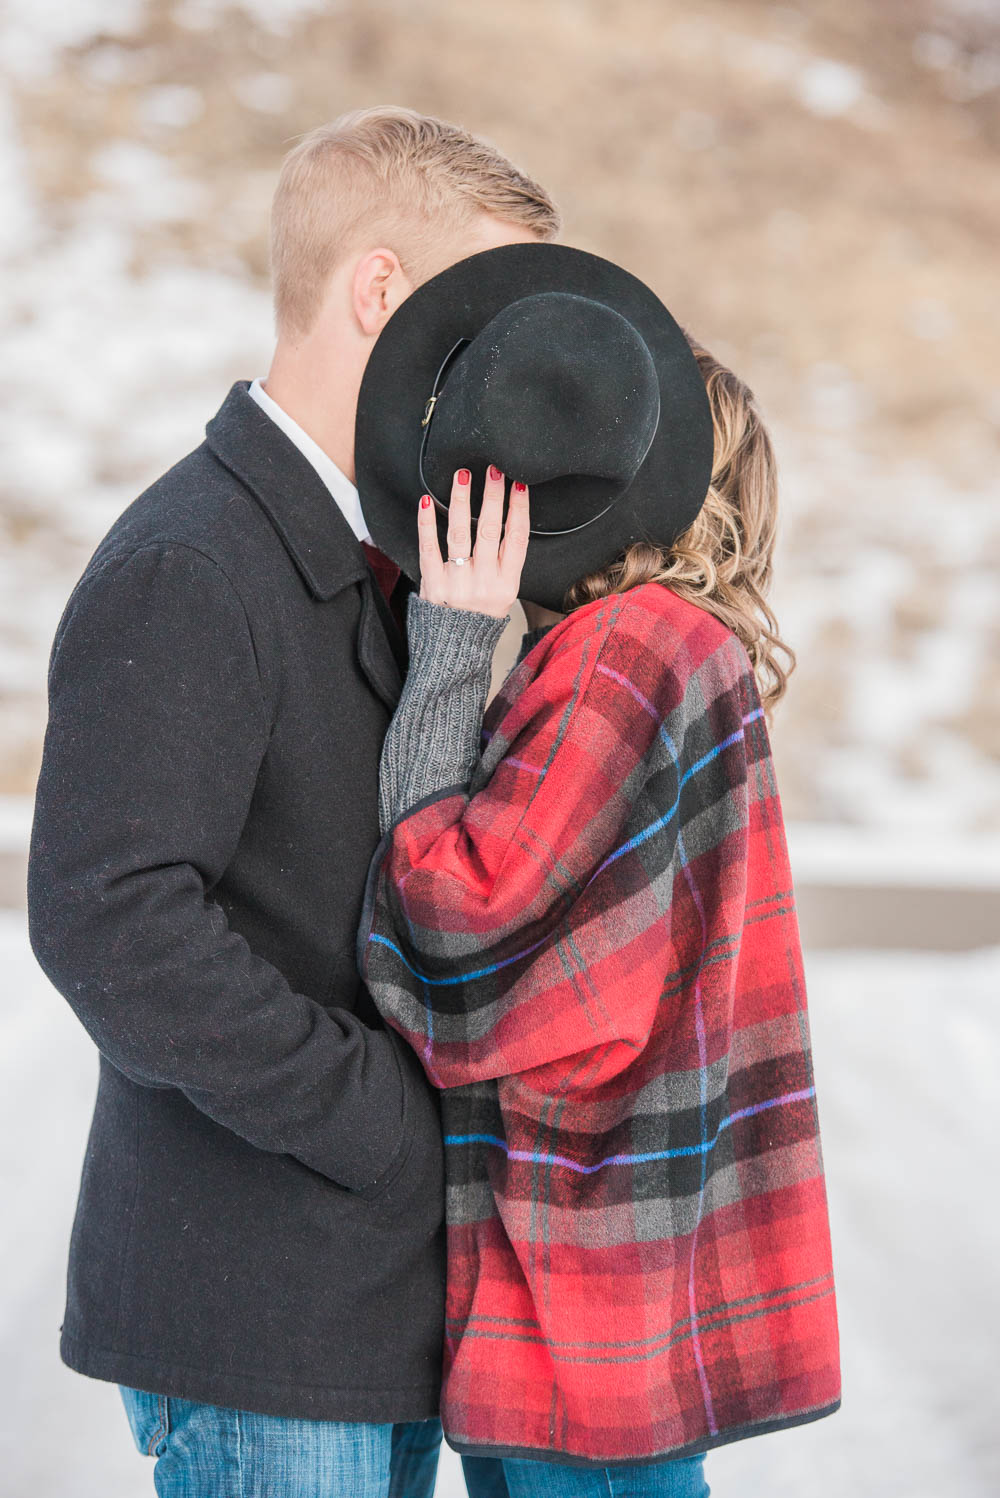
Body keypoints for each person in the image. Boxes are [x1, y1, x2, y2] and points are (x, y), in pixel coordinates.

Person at [26, 107, 557, 1498]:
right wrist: (381, 1117)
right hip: (254, 1306)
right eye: (482, 303)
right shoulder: (196, 562)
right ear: (379, 289)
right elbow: (108, 915)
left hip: (362, 1300)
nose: (506, 352)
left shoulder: (373, 552)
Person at [356, 242, 842, 1494]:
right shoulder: (684, 654)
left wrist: (451, 648)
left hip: (578, 1294)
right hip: (625, 1291)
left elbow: (455, 925)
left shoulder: (628, 652)